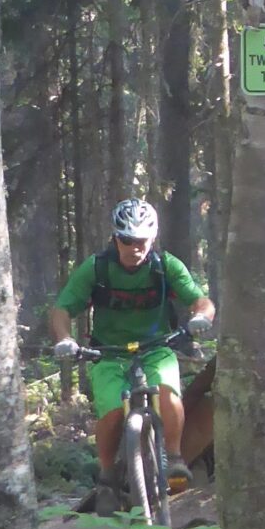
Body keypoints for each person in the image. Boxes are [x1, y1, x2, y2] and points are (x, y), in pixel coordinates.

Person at [48, 198, 214, 499]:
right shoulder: (97, 269)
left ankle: (174, 458)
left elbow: (200, 300)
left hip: (157, 348)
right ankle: (108, 471)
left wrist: (201, 317)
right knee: (112, 413)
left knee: (166, 392)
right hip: (108, 354)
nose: (134, 247)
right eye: (127, 240)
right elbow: (62, 308)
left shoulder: (165, 266)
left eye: (141, 241)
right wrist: (64, 339)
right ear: (115, 238)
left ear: (151, 239)